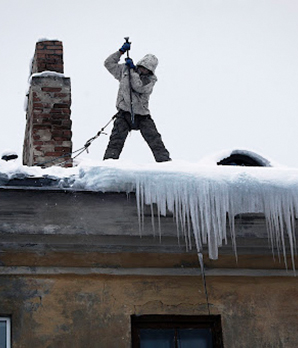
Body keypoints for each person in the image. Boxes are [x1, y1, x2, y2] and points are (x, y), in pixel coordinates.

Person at [103, 40, 171, 162]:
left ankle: (166, 164)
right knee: (115, 142)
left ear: (150, 71)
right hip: (124, 113)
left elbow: (138, 86)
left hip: (142, 116)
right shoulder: (125, 71)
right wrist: (121, 51)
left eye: (146, 69)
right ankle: (108, 165)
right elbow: (108, 63)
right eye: (141, 67)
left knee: (155, 141)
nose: (143, 70)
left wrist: (133, 71)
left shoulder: (150, 81)